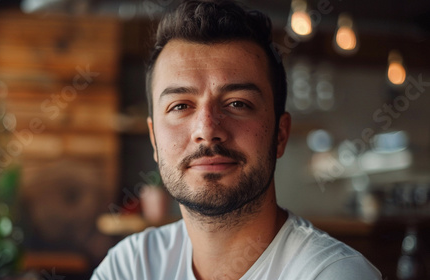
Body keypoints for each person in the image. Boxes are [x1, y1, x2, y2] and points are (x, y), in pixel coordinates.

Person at [92, 0, 382, 279]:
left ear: (280, 135)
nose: (207, 129)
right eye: (180, 106)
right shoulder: (130, 266)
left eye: (238, 104)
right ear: (154, 139)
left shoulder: (332, 274)